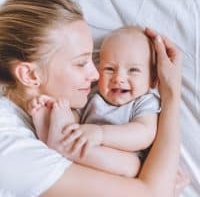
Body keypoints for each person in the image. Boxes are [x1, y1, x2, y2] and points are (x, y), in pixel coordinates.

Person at [0, 0, 183, 196]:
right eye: (80, 63)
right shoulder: (9, 146)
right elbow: (153, 194)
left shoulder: (42, 114)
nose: (96, 75)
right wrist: (172, 94)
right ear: (30, 75)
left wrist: (149, 174)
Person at [28, 26, 160, 178]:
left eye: (133, 70)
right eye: (110, 69)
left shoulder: (145, 102)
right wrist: (57, 110)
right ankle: (52, 135)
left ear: (153, 79)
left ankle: (57, 143)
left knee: (133, 165)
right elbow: (75, 121)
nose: (119, 78)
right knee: (66, 129)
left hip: (117, 166)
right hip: (82, 161)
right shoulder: (93, 95)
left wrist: (101, 134)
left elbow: (143, 133)